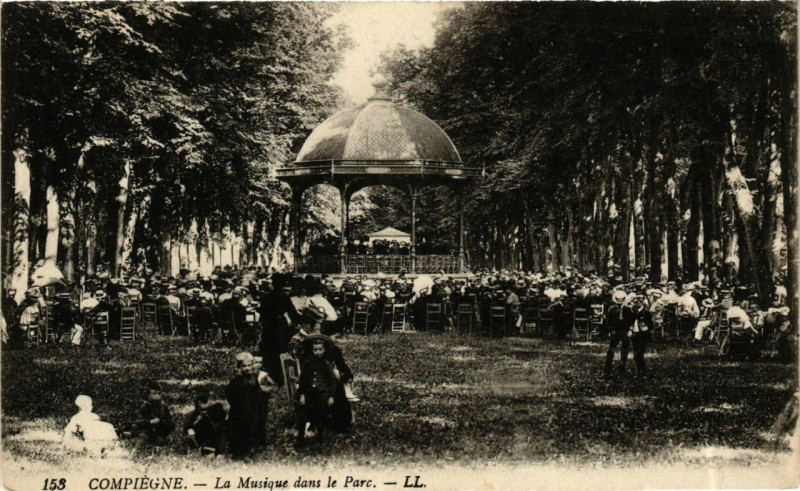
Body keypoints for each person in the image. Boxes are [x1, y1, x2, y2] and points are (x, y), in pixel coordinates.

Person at [295, 338, 337, 447]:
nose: (318, 352)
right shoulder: (307, 364)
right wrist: (302, 395)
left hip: (321, 395)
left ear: (324, 351)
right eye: (315, 350)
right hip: (309, 395)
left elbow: (331, 382)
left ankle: (320, 438)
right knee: (303, 416)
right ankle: (300, 438)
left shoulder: (327, 365)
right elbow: (302, 381)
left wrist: (331, 396)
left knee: (321, 416)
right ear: (312, 351)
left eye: (320, 349)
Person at [225, 352, 261, 459]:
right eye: (244, 366)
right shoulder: (235, 381)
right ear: (238, 368)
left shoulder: (254, 378)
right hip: (239, 410)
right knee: (238, 430)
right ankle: (238, 452)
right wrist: (237, 406)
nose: (247, 368)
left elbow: (257, 391)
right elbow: (230, 395)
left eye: (249, 365)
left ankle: (250, 449)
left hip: (252, 408)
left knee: (251, 429)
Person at [184, 388, 227, 457]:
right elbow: (188, 426)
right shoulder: (196, 417)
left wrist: (219, 452)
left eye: (205, 410)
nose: (204, 413)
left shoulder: (214, 413)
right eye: (201, 410)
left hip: (216, 442)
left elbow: (222, 435)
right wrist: (189, 428)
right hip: (203, 441)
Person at [134, 381, 175, 449]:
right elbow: (139, 421)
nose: (157, 396)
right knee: (141, 441)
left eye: (159, 393)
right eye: (154, 394)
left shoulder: (163, 407)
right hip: (147, 431)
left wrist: (161, 421)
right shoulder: (144, 407)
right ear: (148, 395)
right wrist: (150, 422)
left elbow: (170, 423)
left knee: (162, 442)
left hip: (159, 431)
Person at [601, 290, 632, 379]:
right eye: (618, 301)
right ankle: (607, 369)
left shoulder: (628, 309)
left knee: (625, 349)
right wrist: (611, 330)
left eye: (621, 301)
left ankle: (622, 367)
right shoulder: (612, 308)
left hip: (624, 330)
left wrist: (630, 330)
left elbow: (631, 320)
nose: (619, 303)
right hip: (615, 330)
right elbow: (608, 321)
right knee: (611, 349)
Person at [629, 295, 653, 378]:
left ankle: (643, 373)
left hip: (642, 335)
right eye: (635, 302)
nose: (636, 304)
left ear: (642, 302)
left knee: (639, 354)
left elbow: (651, 325)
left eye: (638, 302)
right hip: (635, 334)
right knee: (636, 354)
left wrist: (646, 329)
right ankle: (638, 372)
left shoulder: (645, 312)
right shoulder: (633, 311)